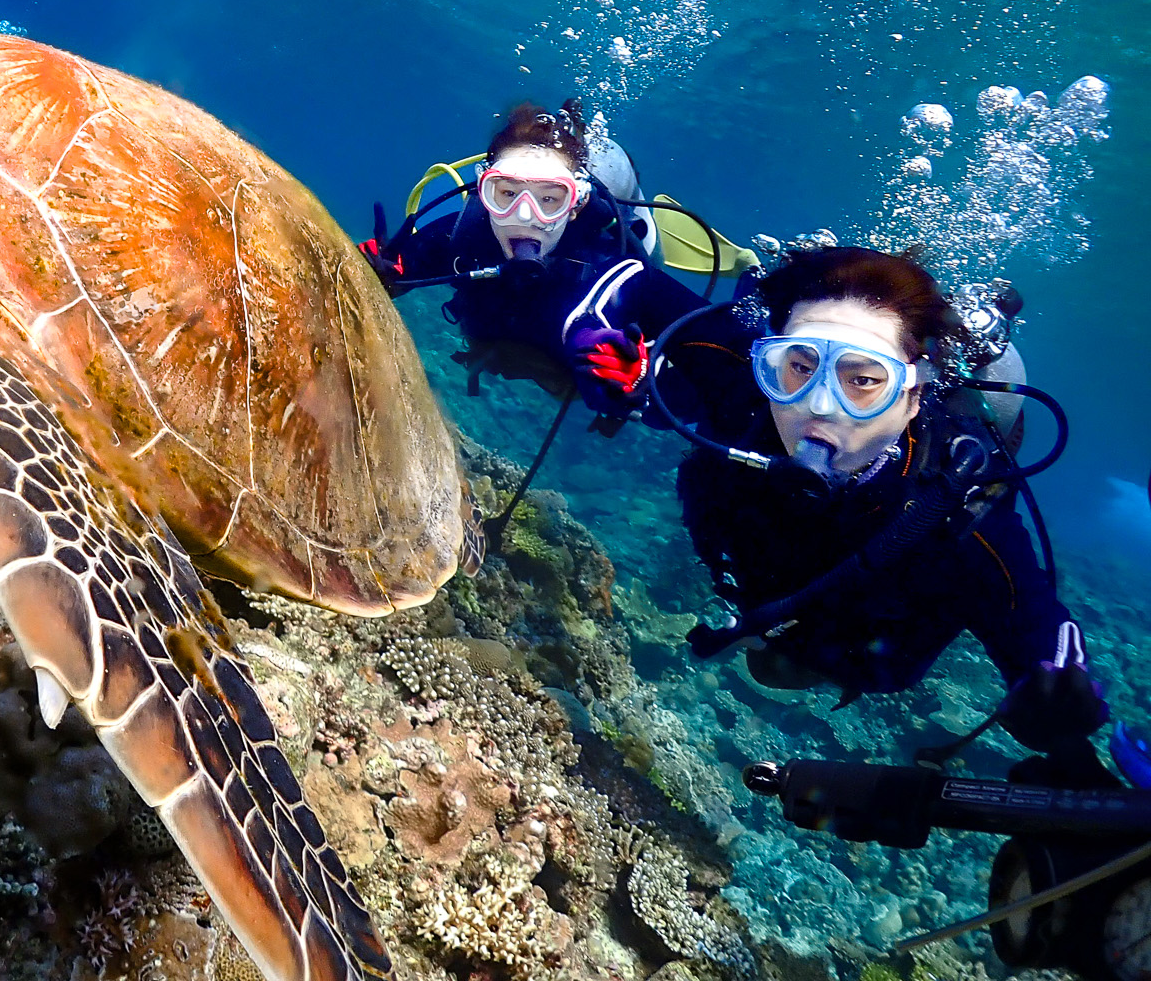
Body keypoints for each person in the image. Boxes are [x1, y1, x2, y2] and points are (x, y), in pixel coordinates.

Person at [660, 244, 1108, 774]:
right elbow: (638, 294)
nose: (819, 405)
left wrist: (1055, 698)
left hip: (851, 646)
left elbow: (1034, 625)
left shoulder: (956, 513)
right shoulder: (744, 394)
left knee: (778, 669)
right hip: (754, 585)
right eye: (800, 366)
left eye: (864, 381)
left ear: (914, 396)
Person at [360, 99, 725, 420]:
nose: (523, 216)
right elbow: (396, 269)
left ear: (577, 204)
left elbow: (712, 383)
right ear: (483, 192)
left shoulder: (616, 273)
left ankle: (684, 242)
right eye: (507, 193)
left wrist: (645, 381)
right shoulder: (460, 235)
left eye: (549, 199)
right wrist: (383, 272)